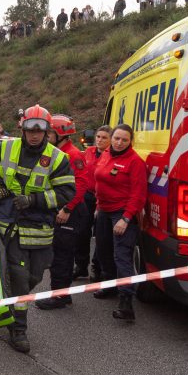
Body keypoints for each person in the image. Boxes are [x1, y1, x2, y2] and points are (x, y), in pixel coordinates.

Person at [0, 104, 75, 352]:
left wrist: (34, 200)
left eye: (40, 129)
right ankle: (18, 329)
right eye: (29, 128)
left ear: (47, 131)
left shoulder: (58, 159)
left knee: (35, 277)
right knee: (21, 279)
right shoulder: (6, 147)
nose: (34, 134)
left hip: (40, 229)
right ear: (22, 128)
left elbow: (67, 192)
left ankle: (9, 301)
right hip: (11, 226)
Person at [92, 124, 147, 321]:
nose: (119, 142)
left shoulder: (135, 162)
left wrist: (125, 218)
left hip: (122, 214)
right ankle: (110, 286)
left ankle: (126, 303)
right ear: (112, 138)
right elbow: (99, 181)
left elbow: (138, 195)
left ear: (130, 141)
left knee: (121, 257)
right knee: (103, 251)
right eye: (116, 138)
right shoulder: (106, 154)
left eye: (124, 140)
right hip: (104, 211)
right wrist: (98, 206)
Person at [36, 115, 90, 310]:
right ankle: (60, 293)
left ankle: (59, 296)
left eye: (49, 133)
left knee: (62, 255)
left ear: (61, 135)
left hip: (70, 211)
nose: (46, 136)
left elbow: (82, 184)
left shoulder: (73, 155)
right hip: (60, 208)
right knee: (58, 252)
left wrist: (67, 208)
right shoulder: (54, 152)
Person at [74, 125, 111, 281]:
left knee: (101, 236)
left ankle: (97, 268)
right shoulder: (88, 152)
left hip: (102, 199)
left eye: (104, 137)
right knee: (82, 232)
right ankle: (81, 266)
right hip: (87, 197)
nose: (100, 140)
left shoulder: (111, 156)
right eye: (98, 137)